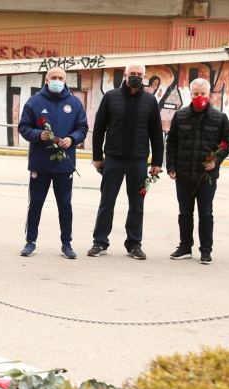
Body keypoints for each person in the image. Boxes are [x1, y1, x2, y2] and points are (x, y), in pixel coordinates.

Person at [88, 62, 164, 260]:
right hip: (113, 159)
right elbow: (99, 128)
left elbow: (156, 133)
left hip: (139, 161)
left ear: (144, 76)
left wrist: (157, 162)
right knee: (107, 201)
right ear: (125, 75)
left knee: (137, 204)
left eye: (139, 74)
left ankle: (134, 244)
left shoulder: (150, 100)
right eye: (132, 73)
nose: (136, 76)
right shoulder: (111, 97)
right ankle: (100, 242)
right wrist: (97, 157)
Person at [17, 67, 88, 258]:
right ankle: (30, 241)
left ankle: (67, 244)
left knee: (65, 204)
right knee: (35, 203)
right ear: (46, 80)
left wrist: (72, 139)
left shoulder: (74, 102)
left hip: (64, 165)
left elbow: (82, 128)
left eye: (60, 78)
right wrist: (38, 134)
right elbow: (23, 127)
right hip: (40, 163)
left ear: (65, 81)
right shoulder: (34, 101)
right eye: (53, 77)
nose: (57, 80)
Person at [165, 78, 229, 264]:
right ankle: (185, 247)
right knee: (185, 213)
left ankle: (206, 250)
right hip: (184, 174)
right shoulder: (180, 116)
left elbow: (227, 143)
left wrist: (216, 161)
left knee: (206, 214)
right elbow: (172, 143)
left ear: (209, 95)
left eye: (203, 94)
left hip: (206, 176)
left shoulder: (220, 118)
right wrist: (171, 167)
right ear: (190, 94)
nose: (199, 97)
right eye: (196, 94)